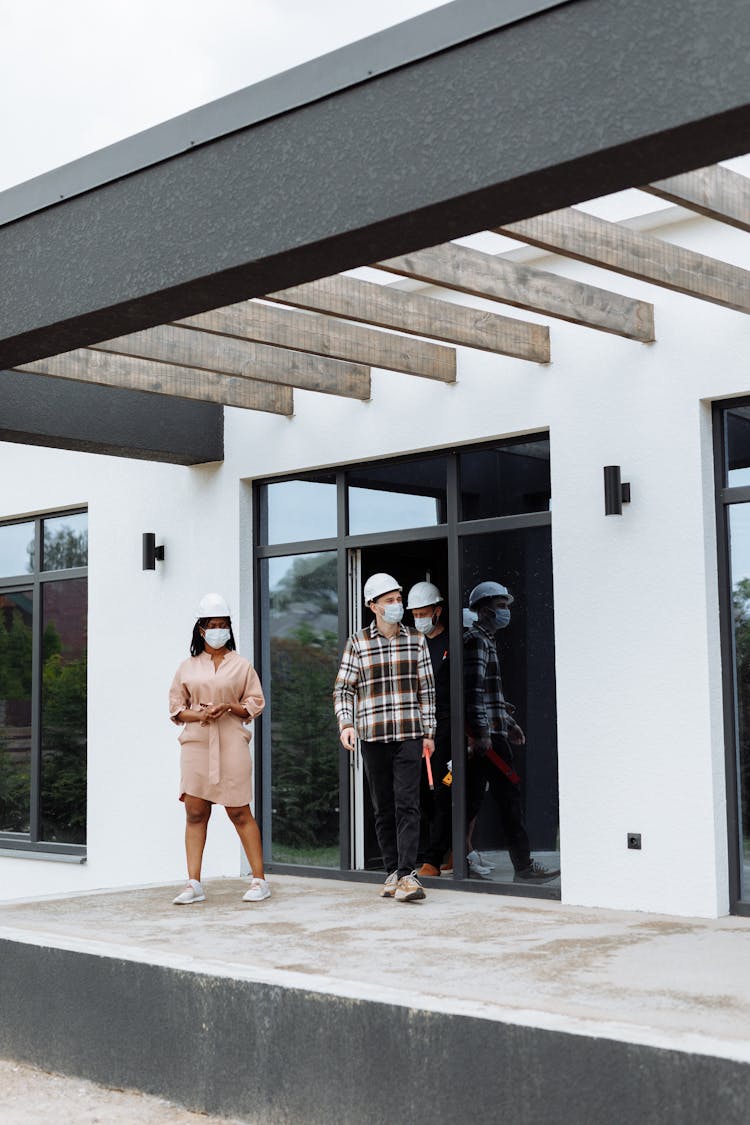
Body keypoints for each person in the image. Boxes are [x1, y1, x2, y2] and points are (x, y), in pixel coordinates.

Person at [333, 572, 436, 903]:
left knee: (408, 803)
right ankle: (392, 870)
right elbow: (343, 688)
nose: (397, 605)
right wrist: (346, 724)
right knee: (383, 807)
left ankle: (408, 874)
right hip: (374, 735)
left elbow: (427, 691)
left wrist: (429, 732)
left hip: (409, 732)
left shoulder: (416, 641)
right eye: (389, 601)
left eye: (398, 599)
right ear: (372, 605)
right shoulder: (358, 642)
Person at [168, 592, 269, 905]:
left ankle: (259, 880)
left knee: (239, 810)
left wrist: (229, 706)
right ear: (201, 629)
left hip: (231, 743)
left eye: (223, 624)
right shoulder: (187, 667)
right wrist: (200, 714)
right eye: (212, 624)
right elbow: (175, 708)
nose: (218, 630)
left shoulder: (241, 666)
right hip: (197, 744)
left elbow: (255, 702)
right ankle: (194, 883)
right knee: (195, 812)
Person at [464, 580, 559, 883]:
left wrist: (510, 723)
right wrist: (483, 735)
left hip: (491, 734)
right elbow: (472, 692)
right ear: (483, 609)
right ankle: (524, 867)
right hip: (489, 741)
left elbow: (491, 696)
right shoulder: (477, 640)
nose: (505, 612)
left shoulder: (486, 640)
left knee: (471, 801)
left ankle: (439, 857)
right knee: (509, 799)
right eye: (501, 606)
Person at [406, 580, 453, 879]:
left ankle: (434, 859)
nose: (420, 619)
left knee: (443, 791)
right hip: (416, 727)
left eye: (425, 613)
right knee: (419, 792)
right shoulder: (412, 644)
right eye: (415, 614)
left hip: (445, 728)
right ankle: (435, 852)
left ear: (438, 611)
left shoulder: (452, 644)